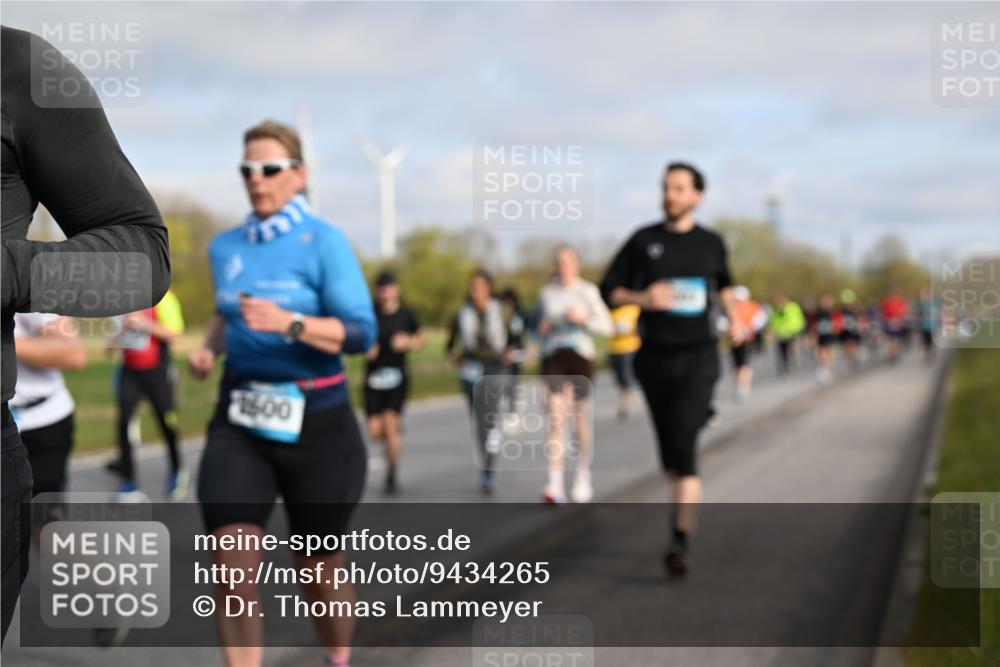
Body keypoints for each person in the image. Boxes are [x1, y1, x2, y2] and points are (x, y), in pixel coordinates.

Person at [1, 27, 171, 642]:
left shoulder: (17, 66)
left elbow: (73, 347)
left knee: (50, 529)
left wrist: (9, 272)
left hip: (39, 415)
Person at [188, 120, 375, 667]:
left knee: (317, 570)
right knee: (231, 566)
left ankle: (336, 656)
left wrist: (291, 323)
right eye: (247, 170)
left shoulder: (325, 242)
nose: (256, 179)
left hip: (319, 423)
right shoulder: (225, 247)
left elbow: (362, 334)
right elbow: (229, 316)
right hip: (241, 419)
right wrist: (209, 348)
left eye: (269, 169)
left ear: (299, 175)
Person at [599, 162, 740, 577]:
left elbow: (726, 285)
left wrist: (736, 317)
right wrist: (643, 299)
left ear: (697, 195)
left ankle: (680, 540)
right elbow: (608, 290)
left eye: (679, 189)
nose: (670, 195)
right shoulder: (643, 241)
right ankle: (696, 420)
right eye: (666, 188)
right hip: (655, 359)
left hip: (699, 356)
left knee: (685, 448)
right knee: (671, 459)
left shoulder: (711, 243)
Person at [536, 246, 613, 504]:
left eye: (568, 262)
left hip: (580, 356)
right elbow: (535, 327)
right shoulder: (547, 293)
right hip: (554, 355)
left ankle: (582, 473)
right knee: (556, 418)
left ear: (576, 265)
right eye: (559, 262)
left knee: (578, 417)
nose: (563, 266)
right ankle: (554, 482)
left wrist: (583, 319)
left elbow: (607, 325)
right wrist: (542, 328)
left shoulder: (587, 291)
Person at [107, 290, 187, 499]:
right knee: (124, 422)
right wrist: (117, 336)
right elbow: (110, 344)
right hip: (129, 371)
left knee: (165, 420)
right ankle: (129, 480)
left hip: (157, 370)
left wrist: (145, 325)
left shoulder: (164, 297)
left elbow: (175, 334)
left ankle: (178, 470)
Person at [445, 269, 517, 494]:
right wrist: (453, 356)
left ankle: (489, 469)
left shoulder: (503, 312)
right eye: (472, 286)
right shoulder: (461, 313)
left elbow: (516, 339)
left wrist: (511, 351)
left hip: (495, 368)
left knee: (489, 419)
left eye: (479, 286)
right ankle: (485, 460)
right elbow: (450, 344)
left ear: (488, 288)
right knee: (478, 422)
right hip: (470, 369)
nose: (474, 291)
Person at [11, 314, 86, 526]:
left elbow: (74, 354)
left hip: (42, 424)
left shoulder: (27, 288)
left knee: (45, 529)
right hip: (7, 423)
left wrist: (6, 342)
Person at [364, 270, 423, 495]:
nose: (385, 293)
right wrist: (366, 348)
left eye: (389, 288)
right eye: (381, 288)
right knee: (374, 430)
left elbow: (420, 338)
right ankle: (392, 438)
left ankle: (391, 472)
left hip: (397, 377)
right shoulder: (370, 313)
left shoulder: (406, 314)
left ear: (396, 289)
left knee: (390, 422)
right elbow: (359, 336)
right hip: (373, 378)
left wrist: (407, 341)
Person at [728, 286, 767, 400]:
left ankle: (743, 387)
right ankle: (741, 385)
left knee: (744, 364)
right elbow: (722, 321)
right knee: (736, 365)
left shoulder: (753, 307)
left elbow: (760, 320)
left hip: (747, 339)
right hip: (734, 339)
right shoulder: (730, 308)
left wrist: (749, 328)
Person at [607, 304, 642, 420]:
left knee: (627, 378)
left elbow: (641, 326)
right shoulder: (611, 311)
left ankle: (625, 405)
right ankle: (625, 402)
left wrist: (630, 329)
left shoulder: (633, 309)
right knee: (620, 379)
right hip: (614, 349)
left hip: (630, 348)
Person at [768, 293, 805, 376]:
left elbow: (799, 319)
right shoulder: (777, 310)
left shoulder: (793, 307)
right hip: (781, 334)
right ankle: (785, 367)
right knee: (782, 351)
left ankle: (794, 358)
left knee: (792, 347)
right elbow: (773, 322)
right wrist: (772, 331)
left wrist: (797, 330)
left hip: (792, 332)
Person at [881, 288, 910, 364]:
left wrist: (901, 320)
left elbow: (904, 311)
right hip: (891, 322)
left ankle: (893, 354)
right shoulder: (888, 302)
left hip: (897, 323)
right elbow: (884, 313)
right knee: (892, 339)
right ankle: (892, 354)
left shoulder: (900, 301)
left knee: (895, 339)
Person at [814, 292, 838, 384]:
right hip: (822, 336)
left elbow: (837, 323)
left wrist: (835, 329)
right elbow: (814, 325)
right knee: (822, 352)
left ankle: (827, 369)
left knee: (830, 353)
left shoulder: (833, 312)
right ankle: (823, 369)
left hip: (830, 335)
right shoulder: (818, 313)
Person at [838, 289, 862, 370]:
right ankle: (847, 361)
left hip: (853, 330)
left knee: (853, 345)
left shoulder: (855, 310)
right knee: (846, 346)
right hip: (844, 331)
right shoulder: (841, 311)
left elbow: (859, 320)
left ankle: (852, 359)